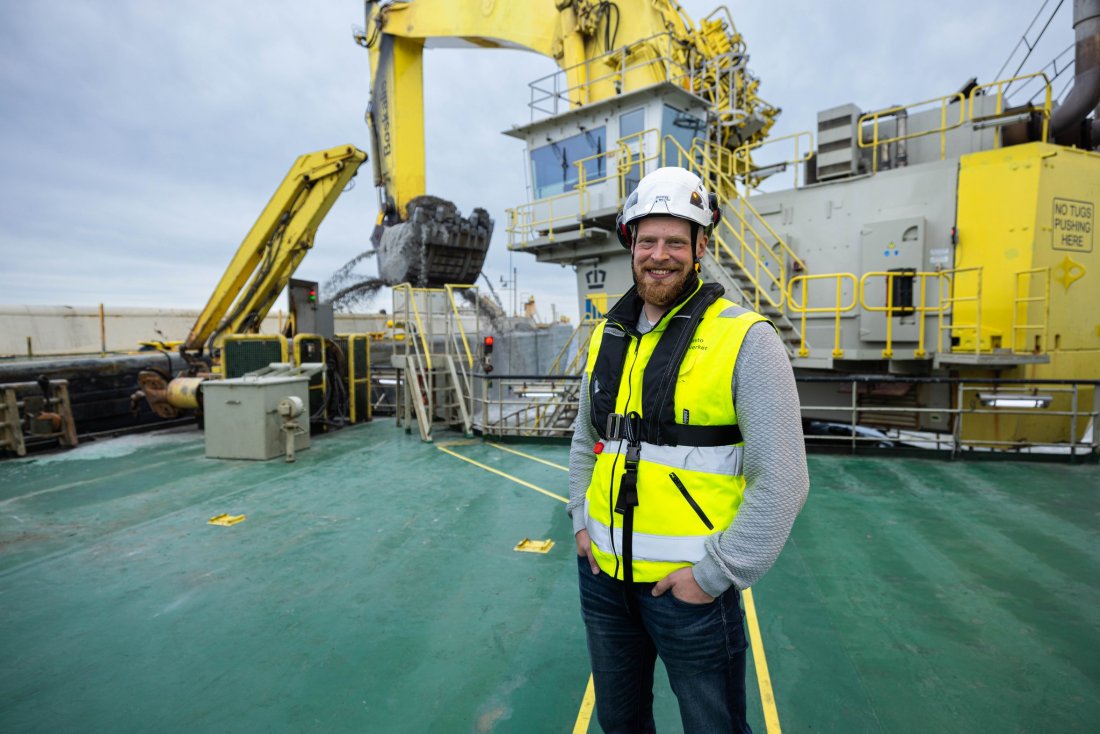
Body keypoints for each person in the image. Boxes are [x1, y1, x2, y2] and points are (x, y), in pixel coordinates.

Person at [567, 166, 809, 733]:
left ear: (701, 246)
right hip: (604, 582)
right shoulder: (609, 335)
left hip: (689, 591)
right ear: (630, 245)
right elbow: (587, 437)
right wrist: (580, 519)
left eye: (676, 240)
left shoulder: (747, 339)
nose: (660, 255)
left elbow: (784, 480)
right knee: (620, 723)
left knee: (714, 726)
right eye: (647, 240)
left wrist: (717, 574)